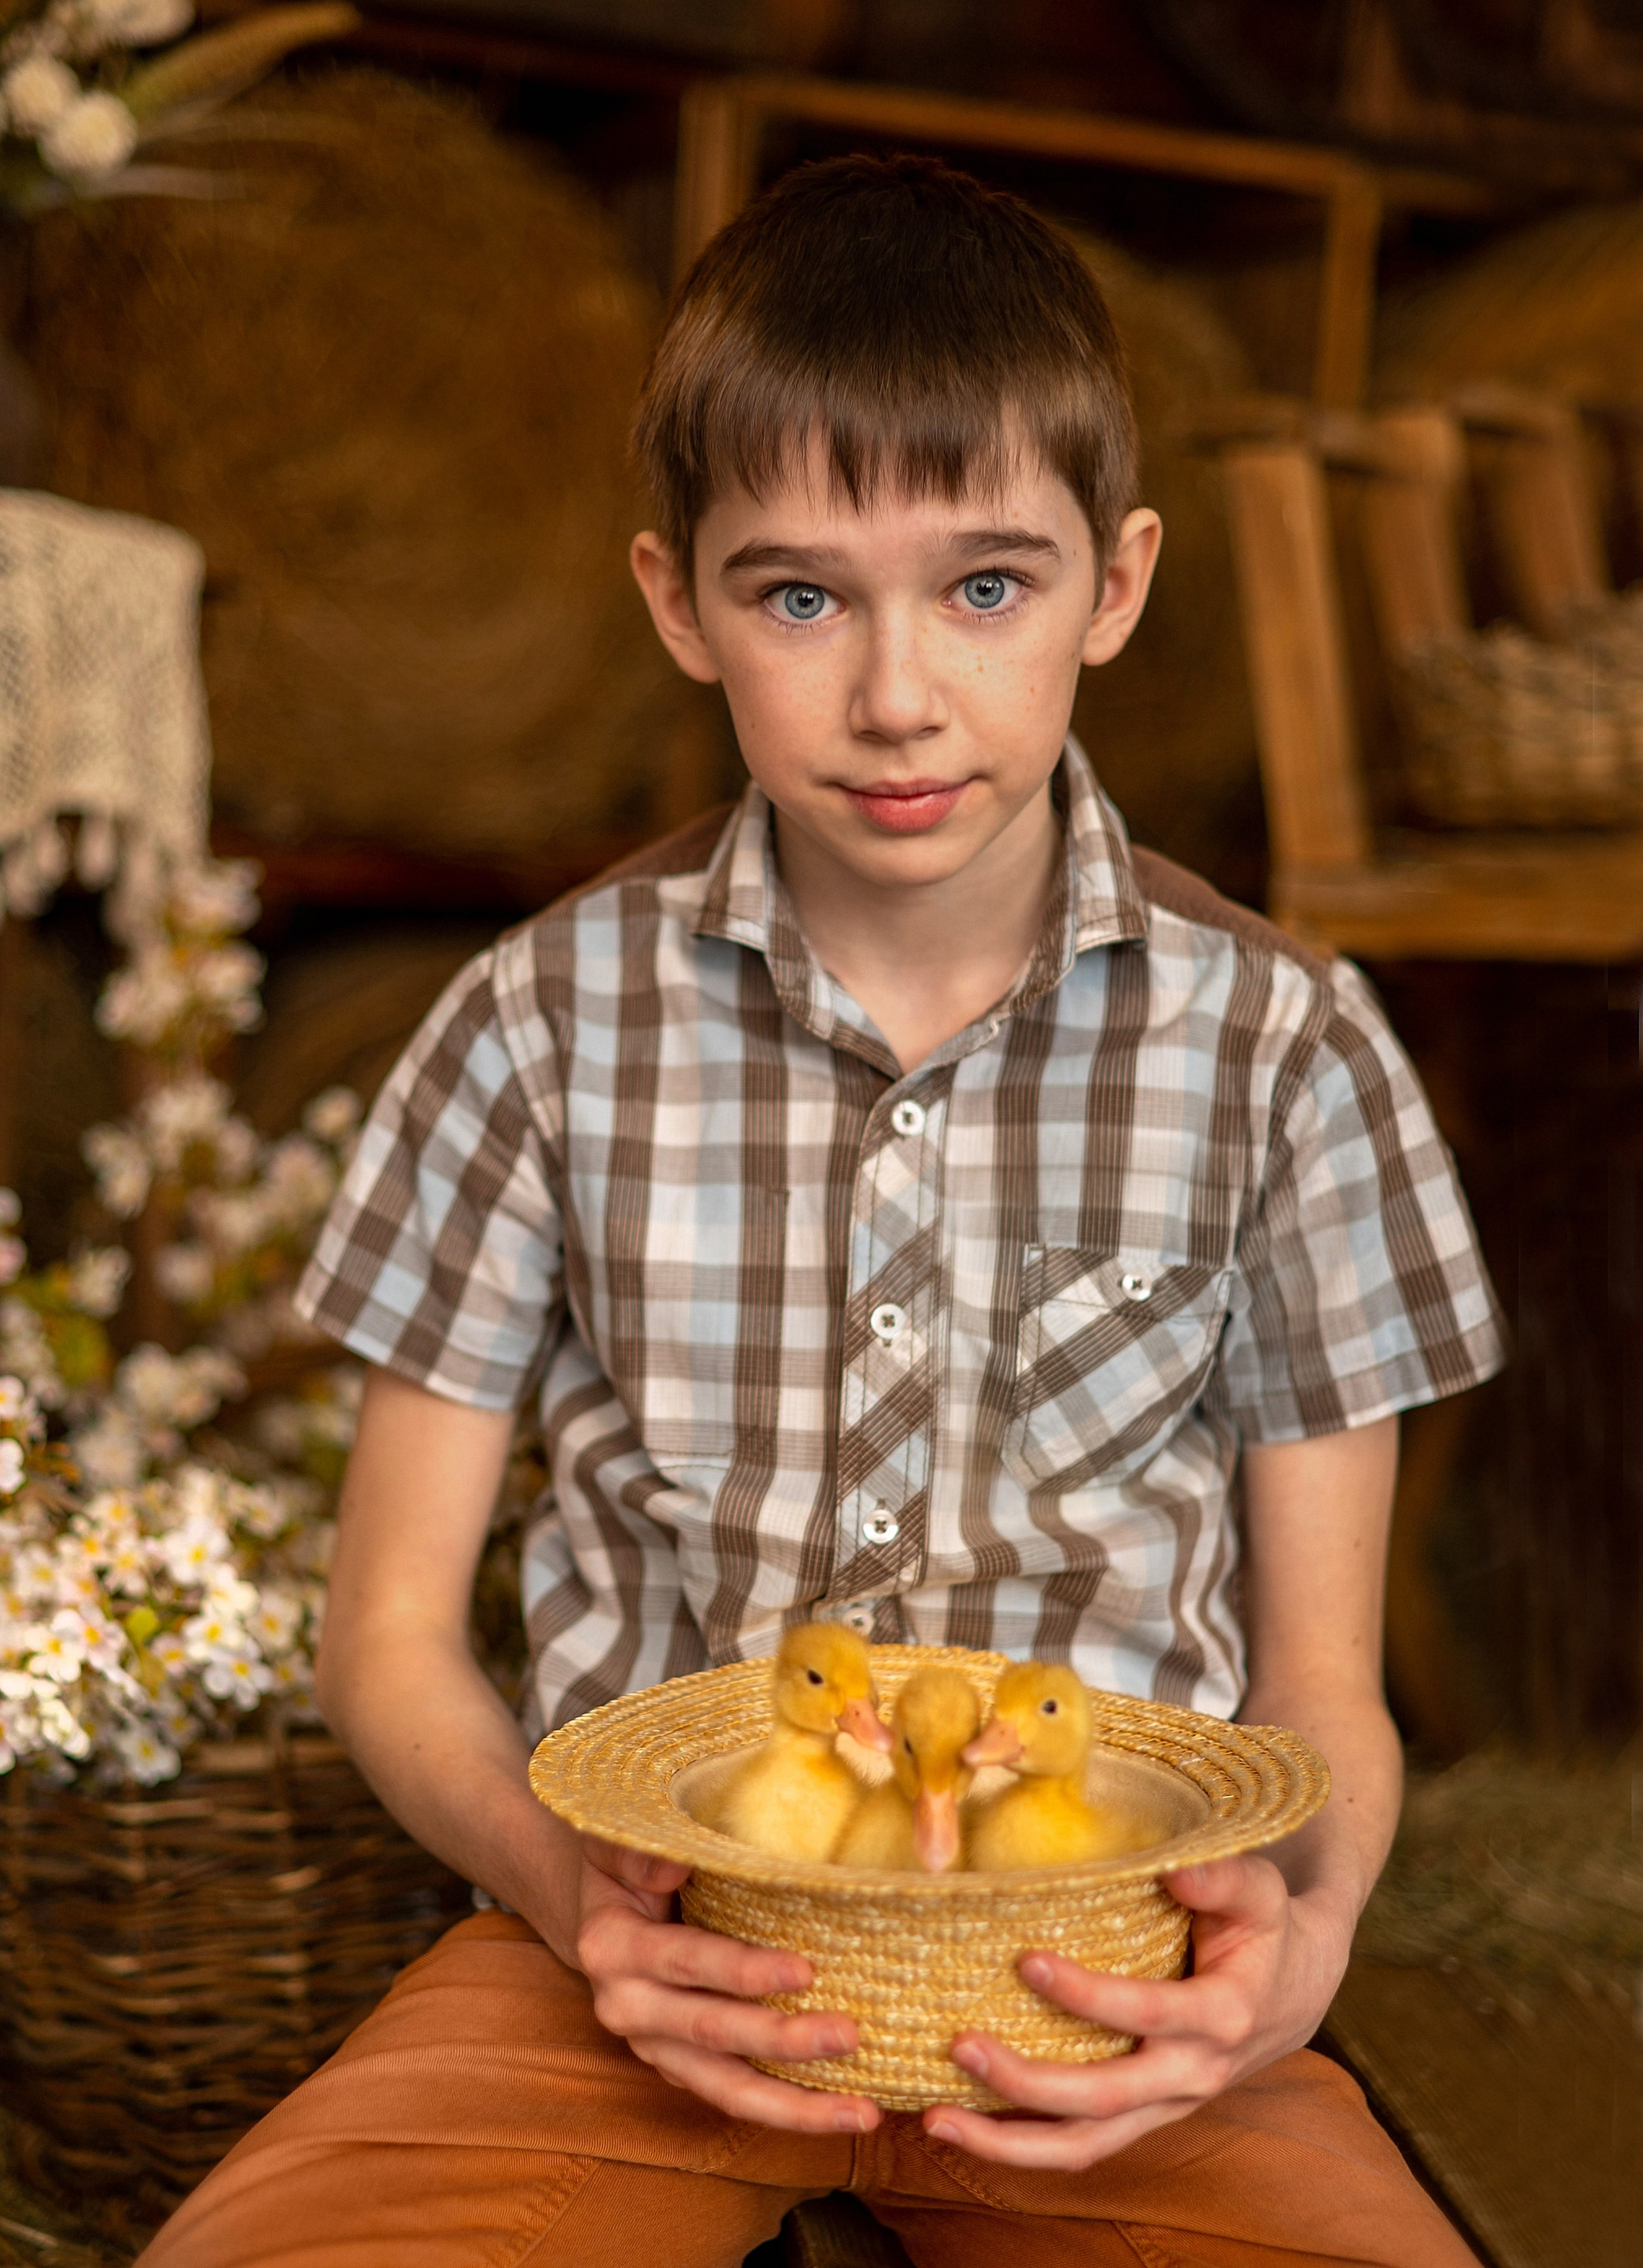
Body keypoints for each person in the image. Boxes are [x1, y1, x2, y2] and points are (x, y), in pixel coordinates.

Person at [142, 154, 1503, 2268]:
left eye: (986, 587)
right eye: (800, 597)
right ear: (676, 601)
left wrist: (1294, 1963)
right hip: (636, 1969)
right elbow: (389, 1631)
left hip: (1111, 1991)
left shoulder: (1288, 1057)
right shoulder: (536, 1024)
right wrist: (569, 1894)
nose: (895, 694)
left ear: (1117, 585)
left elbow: (1325, 1692)